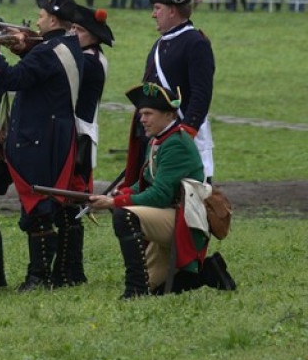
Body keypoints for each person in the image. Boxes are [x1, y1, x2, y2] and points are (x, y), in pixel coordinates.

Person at [0, 0, 83, 291]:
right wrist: (24, 47)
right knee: (42, 203)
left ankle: (38, 277)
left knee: (39, 205)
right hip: (50, 134)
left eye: (42, 16)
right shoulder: (64, 46)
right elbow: (40, 64)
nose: (38, 21)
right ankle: (45, 274)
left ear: (54, 20)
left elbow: (14, 79)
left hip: (41, 137)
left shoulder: (49, 52)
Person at [90, 83, 234, 298]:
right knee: (155, 289)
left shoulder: (176, 143)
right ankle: (209, 273)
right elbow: (148, 182)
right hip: (172, 215)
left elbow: (159, 195)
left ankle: (134, 289)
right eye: (141, 114)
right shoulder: (162, 138)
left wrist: (115, 203)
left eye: (148, 114)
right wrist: (122, 194)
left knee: (125, 215)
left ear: (169, 115)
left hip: (184, 221)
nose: (142, 119)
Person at [52, 5, 113, 286]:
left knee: (71, 203)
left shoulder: (88, 62)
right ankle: (68, 269)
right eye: (72, 29)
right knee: (68, 203)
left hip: (80, 136)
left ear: (94, 36)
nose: (73, 33)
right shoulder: (86, 57)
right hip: (75, 133)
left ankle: (70, 272)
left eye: (79, 30)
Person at [132, 0, 215, 182]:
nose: (153, 14)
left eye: (157, 8)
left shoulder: (195, 43)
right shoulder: (160, 45)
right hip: (161, 136)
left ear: (172, 10)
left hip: (182, 137)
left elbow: (201, 93)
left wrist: (186, 133)